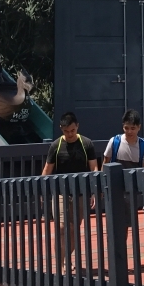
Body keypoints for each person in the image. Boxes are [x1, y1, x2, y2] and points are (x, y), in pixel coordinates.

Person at [42, 112, 97, 274]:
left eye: (72, 130)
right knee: (61, 227)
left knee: (73, 229)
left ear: (77, 126)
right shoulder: (56, 145)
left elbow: (94, 167)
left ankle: (67, 258)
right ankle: (59, 265)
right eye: (66, 131)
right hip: (60, 193)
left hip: (80, 193)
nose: (70, 134)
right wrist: (41, 190)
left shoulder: (87, 144)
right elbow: (47, 169)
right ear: (61, 129)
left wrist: (94, 190)